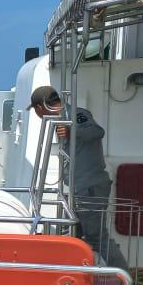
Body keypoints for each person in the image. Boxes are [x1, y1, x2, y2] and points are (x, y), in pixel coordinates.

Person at [29, 85, 129, 268]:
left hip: (90, 188)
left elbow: (97, 132)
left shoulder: (75, 114)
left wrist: (71, 131)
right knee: (71, 233)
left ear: (40, 107)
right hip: (80, 189)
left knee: (97, 237)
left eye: (36, 110)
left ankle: (125, 280)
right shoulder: (62, 117)